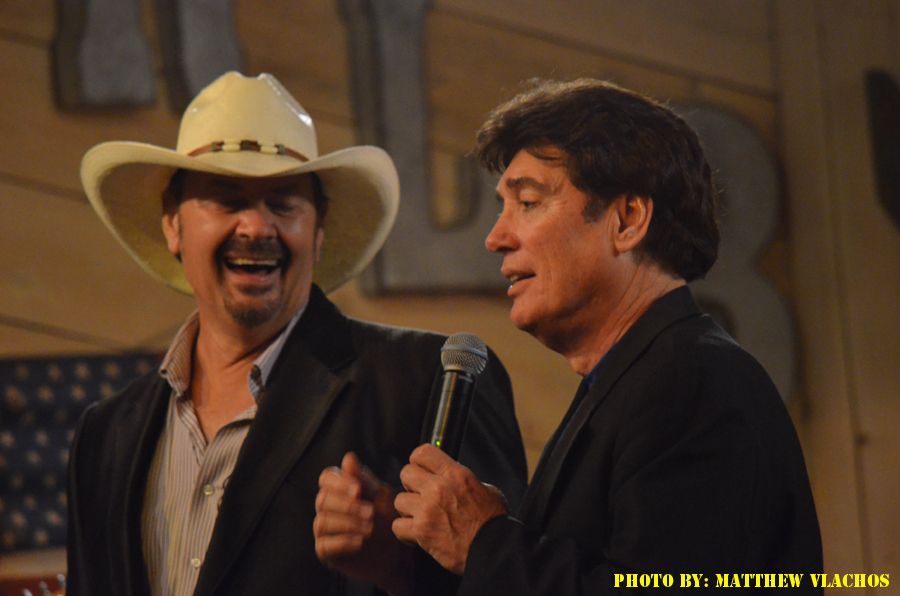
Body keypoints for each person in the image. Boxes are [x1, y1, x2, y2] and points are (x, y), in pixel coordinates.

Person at [314, 79, 823, 594]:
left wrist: (486, 542)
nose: (495, 238)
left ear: (627, 220)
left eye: (528, 202)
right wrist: (401, 565)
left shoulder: (691, 381)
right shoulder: (632, 380)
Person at [66, 71, 527, 596]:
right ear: (173, 224)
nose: (257, 227)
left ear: (318, 229)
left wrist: (398, 566)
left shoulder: (433, 379)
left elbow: (516, 584)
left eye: (283, 203)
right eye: (227, 200)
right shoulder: (106, 434)